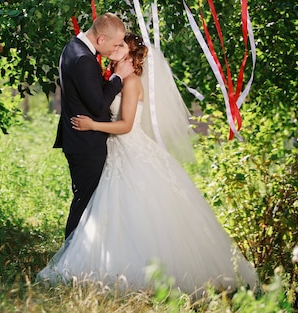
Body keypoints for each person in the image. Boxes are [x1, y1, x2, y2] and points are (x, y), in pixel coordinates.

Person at [39, 33, 258, 297]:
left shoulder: (131, 83)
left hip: (129, 148)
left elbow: (126, 125)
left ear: (131, 55)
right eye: (115, 43)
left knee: (136, 210)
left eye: (121, 46)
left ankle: (148, 277)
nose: (115, 48)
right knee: (112, 212)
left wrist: (93, 125)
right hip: (116, 151)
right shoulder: (116, 79)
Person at [54, 12, 134, 239]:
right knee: (85, 203)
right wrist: (117, 77)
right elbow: (98, 105)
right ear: (101, 40)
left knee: (88, 200)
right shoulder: (83, 59)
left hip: (79, 140)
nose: (116, 48)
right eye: (116, 44)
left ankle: (81, 257)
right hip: (85, 142)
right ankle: (69, 258)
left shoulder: (73, 47)